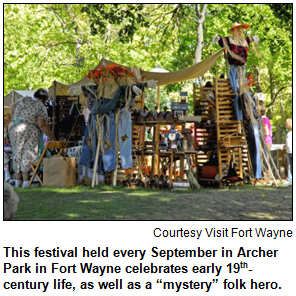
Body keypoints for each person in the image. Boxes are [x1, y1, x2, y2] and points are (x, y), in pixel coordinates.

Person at [8, 88, 56, 187]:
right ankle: (26, 182)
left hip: (13, 128)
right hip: (28, 129)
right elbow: (41, 124)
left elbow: (12, 106)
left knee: (17, 152)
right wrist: (52, 137)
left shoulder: (24, 100)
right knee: (27, 153)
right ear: (45, 99)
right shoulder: (40, 106)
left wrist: (15, 119)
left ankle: (18, 181)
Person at [213, 22, 259, 120]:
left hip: (242, 69)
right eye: (237, 30)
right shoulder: (229, 40)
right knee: (235, 91)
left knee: (243, 90)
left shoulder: (245, 40)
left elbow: (252, 39)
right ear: (233, 31)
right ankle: (239, 117)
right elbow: (222, 39)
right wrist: (218, 38)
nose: (239, 32)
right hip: (233, 68)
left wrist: (254, 39)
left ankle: (245, 115)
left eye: (240, 30)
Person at [285, 118, 292, 184]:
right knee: (290, 166)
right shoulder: (288, 133)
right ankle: (290, 179)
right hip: (289, 151)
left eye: (287, 123)